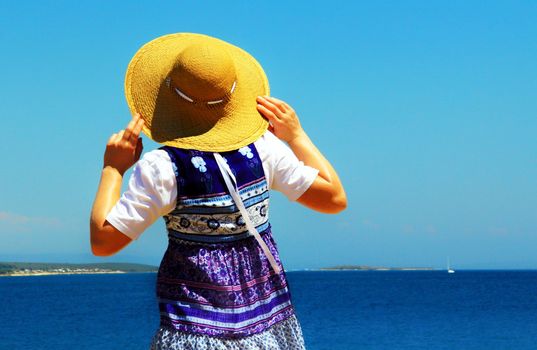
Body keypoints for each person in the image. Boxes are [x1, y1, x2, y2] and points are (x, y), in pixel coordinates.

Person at [90, 33, 346, 350]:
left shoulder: (162, 168)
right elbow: (334, 199)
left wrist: (113, 169)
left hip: (195, 332)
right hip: (266, 326)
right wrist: (296, 136)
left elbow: (103, 241)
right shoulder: (263, 150)